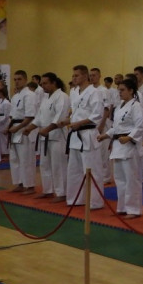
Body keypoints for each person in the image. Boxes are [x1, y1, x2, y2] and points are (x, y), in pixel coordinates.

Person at [60, 65, 106, 209]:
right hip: (75, 135)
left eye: (77, 75)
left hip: (88, 134)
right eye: (73, 75)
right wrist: (67, 121)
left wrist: (79, 123)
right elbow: (75, 113)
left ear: (85, 76)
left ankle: (95, 201)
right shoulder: (74, 92)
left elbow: (97, 115)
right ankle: (75, 199)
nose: (74, 78)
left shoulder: (95, 92)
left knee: (91, 169)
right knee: (74, 169)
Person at [100, 77, 143, 219]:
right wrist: (105, 135)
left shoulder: (136, 106)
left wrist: (129, 137)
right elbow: (116, 127)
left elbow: (140, 126)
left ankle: (134, 209)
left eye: (122, 90)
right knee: (120, 179)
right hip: (118, 145)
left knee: (132, 179)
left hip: (130, 146)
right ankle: (122, 207)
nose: (119, 92)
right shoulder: (119, 106)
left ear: (131, 91)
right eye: (119, 90)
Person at [25, 73, 69, 201]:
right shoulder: (45, 98)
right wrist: (29, 128)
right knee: (44, 165)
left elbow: (60, 117)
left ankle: (61, 193)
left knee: (58, 166)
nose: (43, 86)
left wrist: (47, 129)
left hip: (57, 136)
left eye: (45, 83)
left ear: (53, 83)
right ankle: (47, 190)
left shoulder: (62, 96)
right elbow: (39, 117)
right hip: (44, 136)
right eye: (42, 84)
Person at [6, 71, 37, 193]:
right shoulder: (15, 97)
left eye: (19, 79)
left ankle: (30, 185)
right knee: (14, 158)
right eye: (15, 79)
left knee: (26, 159)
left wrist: (18, 128)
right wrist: (8, 127)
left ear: (25, 80)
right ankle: (19, 183)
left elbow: (30, 116)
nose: (16, 82)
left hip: (25, 129)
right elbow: (12, 116)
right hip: (14, 128)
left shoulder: (29, 95)